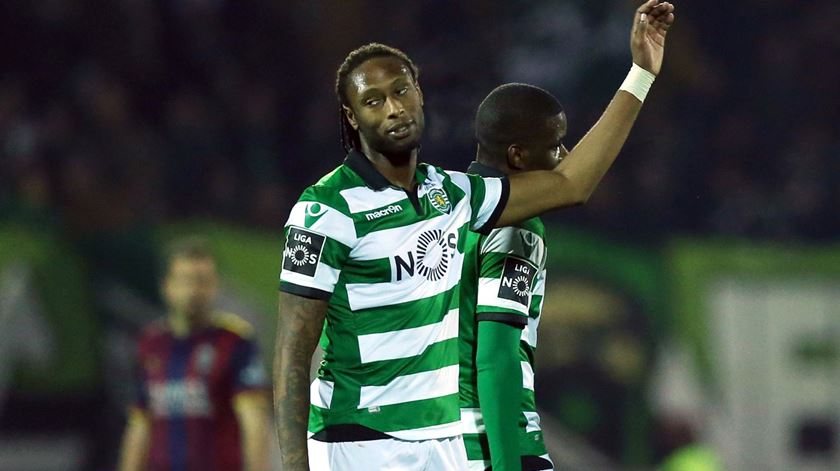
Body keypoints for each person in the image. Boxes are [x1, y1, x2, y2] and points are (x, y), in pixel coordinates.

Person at [274, 1, 675, 469]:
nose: (394, 108)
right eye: (373, 101)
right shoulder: (326, 208)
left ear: (420, 92)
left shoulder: (456, 194)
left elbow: (570, 184)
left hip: (446, 442)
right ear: (352, 116)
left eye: (401, 90)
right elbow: (293, 351)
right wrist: (292, 464)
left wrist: (640, 75)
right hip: (357, 441)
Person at [458, 83, 567, 471]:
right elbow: (496, 356)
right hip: (499, 443)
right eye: (555, 146)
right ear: (518, 155)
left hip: (434, 440)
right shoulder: (516, 224)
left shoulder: (443, 210)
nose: (565, 157)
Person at [118, 237, 271, 471]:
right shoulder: (150, 345)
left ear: (215, 286)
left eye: (202, 281)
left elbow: (254, 422)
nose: (193, 291)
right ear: (166, 286)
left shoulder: (235, 342)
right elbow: (139, 425)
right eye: (185, 281)